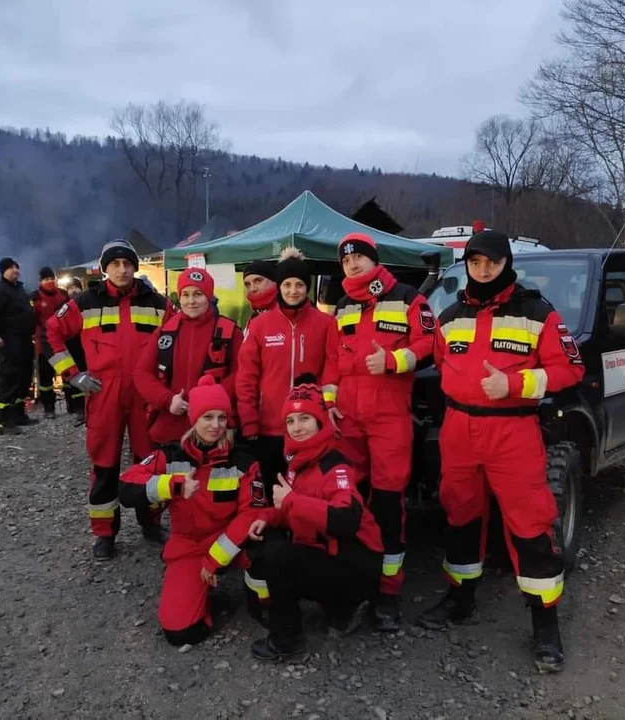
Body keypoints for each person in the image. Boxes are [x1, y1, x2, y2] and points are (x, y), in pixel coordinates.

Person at [416, 229, 585, 673]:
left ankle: (545, 621)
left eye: (492, 262)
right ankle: (461, 597)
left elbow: (570, 369)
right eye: (475, 263)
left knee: (530, 524)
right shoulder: (450, 316)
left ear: (506, 264)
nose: (483, 270)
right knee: (459, 516)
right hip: (458, 430)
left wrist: (514, 384)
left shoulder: (538, 313)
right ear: (467, 266)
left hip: (513, 432)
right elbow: (429, 355)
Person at [329, 232, 435, 631]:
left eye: (359, 258)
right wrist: (329, 402)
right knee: (347, 502)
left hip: (389, 418)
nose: (352, 265)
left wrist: (394, 360)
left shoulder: (409, 298)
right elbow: (331, 361)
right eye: (345, 261)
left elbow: (431, 344)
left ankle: (389, 592)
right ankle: (355, 581)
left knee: (389, 505)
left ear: (375, 261)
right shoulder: (341, 306)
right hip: (348, 421)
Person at [44, 240, 174, 560]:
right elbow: (51, 334)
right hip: (104, 393)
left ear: (135, 267)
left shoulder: (158, 303)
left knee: (150, 463)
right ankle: (105, 534)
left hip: (144, 395)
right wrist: (73, 374)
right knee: (104, 465)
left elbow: (177, 341)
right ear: (105, 269)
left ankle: (151, 522)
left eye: (127, 263)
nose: (121, 269)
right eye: (114, 264)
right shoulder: (85, 302)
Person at [118, 376, 268, 646]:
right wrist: (171, 486)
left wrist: (214, 559)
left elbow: (250, 514)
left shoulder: (244, 460)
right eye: (207, 417)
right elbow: (126, 485)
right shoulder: (170, 456)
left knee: (268, 550)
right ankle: (204, 597)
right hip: (189, 544)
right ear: (193, 419)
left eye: (222, 417)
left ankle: (255, 596)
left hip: (229, 542)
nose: (215, 425)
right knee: (180, 633)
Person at [247, 376, 384, 661]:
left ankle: (288, 640)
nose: (296, 427)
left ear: (321, 421)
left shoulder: (335, 465)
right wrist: (268, 516)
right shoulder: (300, 461)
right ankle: (339, 609)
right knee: (267, 539)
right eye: (290, 421)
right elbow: (293, 511)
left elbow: (346, 520)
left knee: (277, 556)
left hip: (357, 563)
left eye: (305, 419)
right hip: (329, 553)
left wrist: (291, 502)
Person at [236, 247, 339, 502]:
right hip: (269, 425)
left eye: (300, 285)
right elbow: (247, 375)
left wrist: (326, 406)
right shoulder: (260, 325)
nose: (293, 291)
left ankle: (302, 534)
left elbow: (332, 370)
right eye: (287, 285)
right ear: (279, 287)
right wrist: (248, 418)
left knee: (306, 487)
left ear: (308, 287)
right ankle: (274, 534)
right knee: (272, 486)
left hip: (309, 425)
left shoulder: (325, 324)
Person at [134, 267, 242, 447]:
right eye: (185, 295)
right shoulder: (164, 332)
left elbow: (242, 373)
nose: (191, 301)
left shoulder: (230, 332)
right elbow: (141, 373)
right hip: (170, 427)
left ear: (209, 296)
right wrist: (167, 400)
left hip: (214, 430)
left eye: (198, 294)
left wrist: (210, 400)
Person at [0, 258, 38, 434]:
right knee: (9, 379)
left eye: (17, 267)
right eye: (11, 268)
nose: (16, 271)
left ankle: (18, 415)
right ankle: (1, 422)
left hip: (24, 340)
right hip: (9, 341)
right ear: (3, 271)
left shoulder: (18, 289)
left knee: (24, 378)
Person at [30, 267, 69, 419]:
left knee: (68, 373)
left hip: (63, 339)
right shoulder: (35, 297)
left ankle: (74, 405)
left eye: (51, 279)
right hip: (43, 342)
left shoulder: (63, 295)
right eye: (46, 280)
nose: (50, 282)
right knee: (46, 378)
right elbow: (33, 318)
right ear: (40, 282)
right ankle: (49, 408)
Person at [62, 278, 87, 417]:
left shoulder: (88, 304)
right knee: (74, 375)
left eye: (76, 287)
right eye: (70, 288)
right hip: (71, 345)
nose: (74, 290)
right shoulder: (63, 307)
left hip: (86, 344)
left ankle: (88, 405)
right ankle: (78, 408)